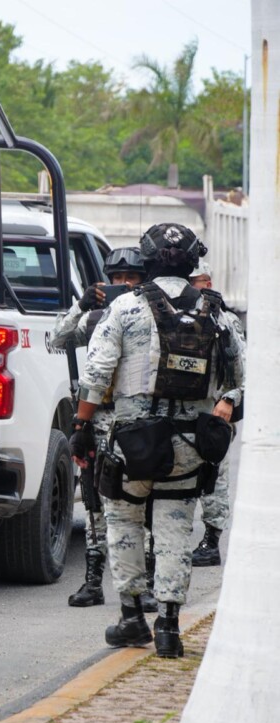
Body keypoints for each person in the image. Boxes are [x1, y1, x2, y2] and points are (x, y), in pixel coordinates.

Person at [69, 223, 245, 658]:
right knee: (175, 532)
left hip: (130, 445)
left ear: (145, 262)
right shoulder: (218, 313)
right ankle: (169, 626)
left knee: (125, 527)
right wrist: (225, 405)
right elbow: (242, 378)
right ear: (193, 263)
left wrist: (80, 427)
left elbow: (95, 376)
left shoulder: (126, 309)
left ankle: (132, 619)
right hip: (190, 447)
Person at [51, 248, 157, 612]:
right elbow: (57, 339)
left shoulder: (155, 316)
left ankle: (143, 586)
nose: (124, 284)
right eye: (117, 279)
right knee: (95, 503)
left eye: (132, 278)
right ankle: (93, 581)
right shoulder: (96, 317)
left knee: (139, 503)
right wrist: (81, 306)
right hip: (97, 423)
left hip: (136, 423)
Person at [188, 261, 247, 567]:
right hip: (188, 409)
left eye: (194, 282)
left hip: (215, 411)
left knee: (214, 478)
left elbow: (243, 371)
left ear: (207, 284)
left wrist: (228, 399)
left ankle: (211, 541)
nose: (189, 288)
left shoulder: (225, 320)